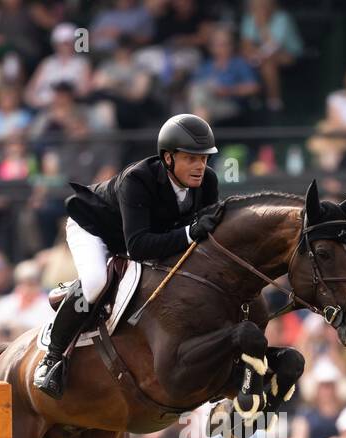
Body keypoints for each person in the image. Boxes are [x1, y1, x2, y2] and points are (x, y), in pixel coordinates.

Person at [33, 113, 222, 399]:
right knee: (96, 281)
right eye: (191, 159)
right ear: (168, 158)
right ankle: (53, 358)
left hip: (138, 235)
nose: (200, 166)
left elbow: (201, 236)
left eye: (204, 159)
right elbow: (139, 247)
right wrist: (188, 234)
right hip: (94, 228)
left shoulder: (207, 182)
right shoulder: (138, 178)